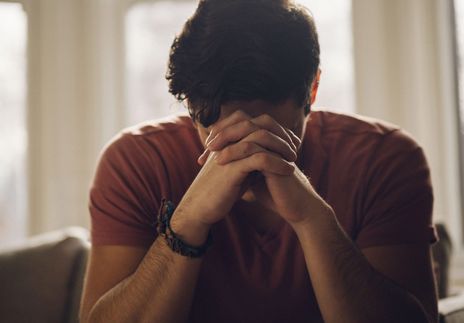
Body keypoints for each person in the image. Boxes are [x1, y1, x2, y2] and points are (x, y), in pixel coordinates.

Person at [79, 0, 439, 322]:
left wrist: (311, 217)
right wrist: (188, 221)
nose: (241, 153)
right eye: (212, 128)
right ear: (188, 102)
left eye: (265, 131)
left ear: (311, 90)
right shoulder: (135, 161)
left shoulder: (383, 158)